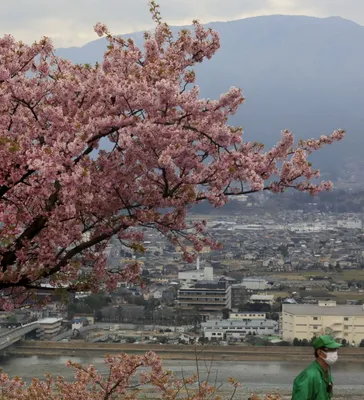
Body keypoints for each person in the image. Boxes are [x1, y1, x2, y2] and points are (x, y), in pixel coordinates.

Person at [291, 335, 341, 400]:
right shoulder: (309, 376)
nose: (334, 353)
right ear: (319, 352)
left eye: (336, 349)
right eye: (331, 350)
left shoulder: (327, 370)